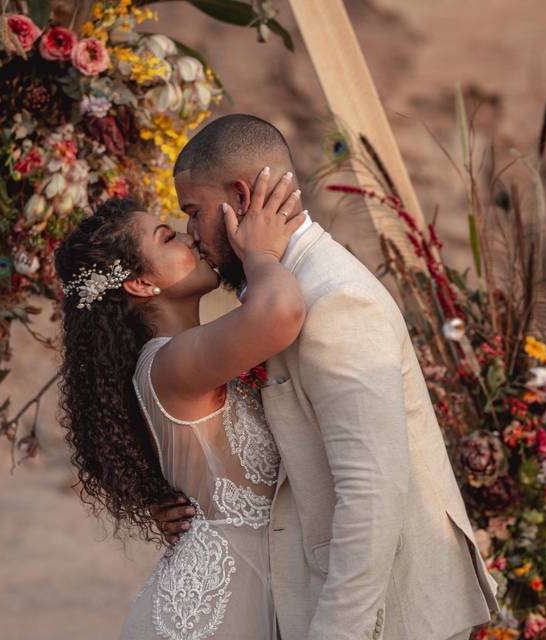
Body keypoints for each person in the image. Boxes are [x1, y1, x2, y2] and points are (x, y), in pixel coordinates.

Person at [152, 113, 499, 640]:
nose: (191, 233)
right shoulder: (278, 293)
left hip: (388, 614)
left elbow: (372, 492)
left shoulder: (335, 299)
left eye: (194, 212)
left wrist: (338, 633)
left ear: (241, 198)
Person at [54, 173, 306, 640]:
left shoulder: (184, 357)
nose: (191, 235)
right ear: (142, 282)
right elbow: (282, 311)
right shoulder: (171, 363)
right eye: (167, 237)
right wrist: (260, 253)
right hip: (216, 615)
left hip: (241, 593)